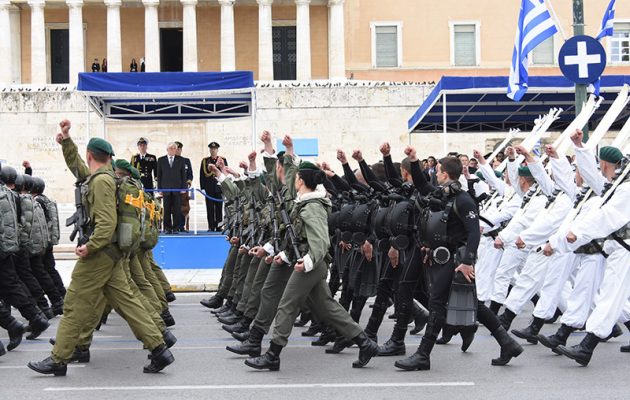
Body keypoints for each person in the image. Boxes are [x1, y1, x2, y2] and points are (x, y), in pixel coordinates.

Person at [27, 119, 174, 376]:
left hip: (100, 253)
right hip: (111, 253)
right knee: (126, 300)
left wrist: (89, 247)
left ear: (90, 155)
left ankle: (59, 358)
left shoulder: (101, 182)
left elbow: (106, 223)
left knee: (73, 302)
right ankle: (159, 348)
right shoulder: (102, 177)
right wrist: (67, 141)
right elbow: (80, 170)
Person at [394, 147, 523, 371]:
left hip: (456, 260)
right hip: (444, 259)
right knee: (474, 304)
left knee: (436, 303)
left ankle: (423, 355)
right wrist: (414, 161)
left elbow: (474, 232)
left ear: (445, 174)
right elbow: (423, 186)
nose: (435, 175)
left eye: (438, 172)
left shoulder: (464, 200)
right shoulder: (443, 195)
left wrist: (467, 262)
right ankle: (508, 343)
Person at [244, 159, 379, 372]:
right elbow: (299, 239)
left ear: (299, 181)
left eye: (295, 178)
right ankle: (365, 343)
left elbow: (320, 241)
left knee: (286, 305)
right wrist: (285, 255)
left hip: (311, 265)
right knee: (328, 307)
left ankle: (273, 354)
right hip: (310, 263)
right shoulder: (305, 204)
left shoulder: (312, 207)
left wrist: (306, 262)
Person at [157, 143, 187, 234]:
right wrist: (159, 189)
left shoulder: (181, 160)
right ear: (167, 149)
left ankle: (176, 227)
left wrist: (183, 188)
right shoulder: (161, 160)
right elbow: (159, 175)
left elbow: (183, 175)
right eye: (171, 148)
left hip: (177, 189)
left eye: (174, 148)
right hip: (165, 189)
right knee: (166, 209)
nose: (173, 150)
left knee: (177, 209)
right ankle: (167, 228)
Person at [200, 142, 227, 231]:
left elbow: (225, 172)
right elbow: (202, 175)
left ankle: (219, 226)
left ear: (217, 150)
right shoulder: (205, 161)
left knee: (219, 208)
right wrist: (203, 188)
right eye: (211, 149)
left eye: (215, 149)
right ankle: (211, 226)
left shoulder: (222, 159)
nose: (213, 150)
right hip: (209, 188)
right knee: (210, 208)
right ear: (210, 150)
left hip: (219, 188)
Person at [175, 141, 193, 232]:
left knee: (183, 208)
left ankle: (181, 226)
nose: (177, 150)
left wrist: (188, 183)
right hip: (173, 188)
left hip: (183, 188)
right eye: (176, 148)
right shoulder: (170, 160)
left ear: (181, 150)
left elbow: (190, 174)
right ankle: (174, 226)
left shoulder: (186, 161)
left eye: (179, 148)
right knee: (173, 207)